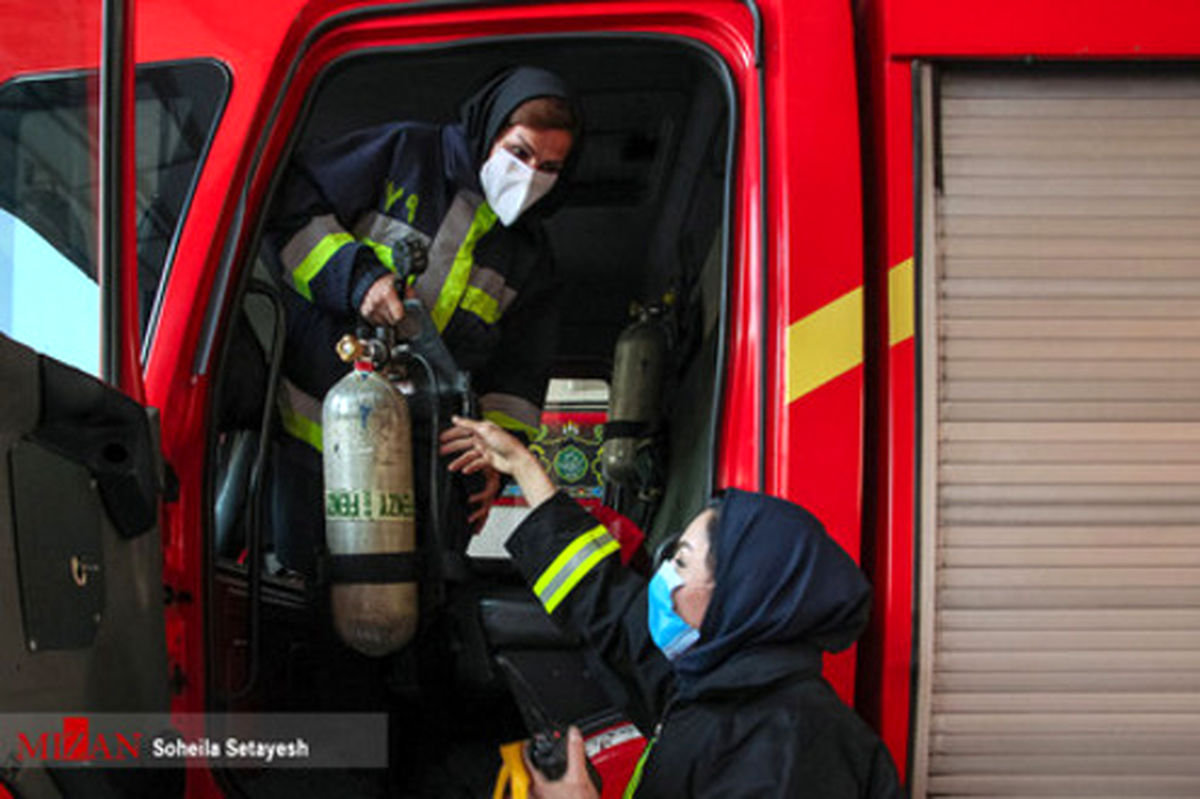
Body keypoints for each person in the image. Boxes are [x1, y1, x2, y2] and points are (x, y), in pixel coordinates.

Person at [441, 416, 904, 799]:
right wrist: (522, 466)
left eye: (680, 561)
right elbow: (603, 601)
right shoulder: (718, 679)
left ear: (735, 596)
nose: (663, 577)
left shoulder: (790, 755)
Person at [265, 66, 581, 576]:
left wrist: (494, 461)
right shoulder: (404, 155)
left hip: (424, 470)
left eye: (548, 167)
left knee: (419, 608)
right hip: (315, 443)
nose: (529, 176)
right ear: (490, 132)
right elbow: (288, 204)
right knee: (308, 595)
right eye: (519, 153)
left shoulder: (531, 258)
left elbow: (519, 373)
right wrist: (358, 279)